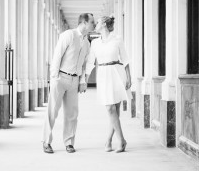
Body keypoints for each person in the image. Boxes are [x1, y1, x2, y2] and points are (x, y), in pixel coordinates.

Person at [42, 13, 95, 154]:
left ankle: (69, 143)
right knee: (52, 111)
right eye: (92, 22)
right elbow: (57, 55)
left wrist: (82, 81)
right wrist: (54, 78)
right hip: (60, 77)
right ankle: (46, 141)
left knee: (72, 114)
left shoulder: (87, 43)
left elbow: (84, 65)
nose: (94, 25)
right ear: (84, 22)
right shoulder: (68, 35)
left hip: (74, 81)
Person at [85, 16, 132, 153]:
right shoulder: (94, 43)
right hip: (103, 75)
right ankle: (120, 140)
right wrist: (85, 80)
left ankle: (111, 141)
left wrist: (129, 77)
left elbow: (125, 59)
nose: (95, 24)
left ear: (104, 24)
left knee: (114, 110)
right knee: (110, 109)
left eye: (98, 22)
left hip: (117, 73)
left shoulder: (117, 39)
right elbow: (90, 62)